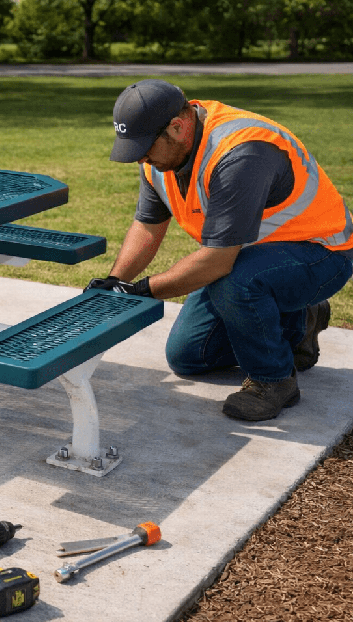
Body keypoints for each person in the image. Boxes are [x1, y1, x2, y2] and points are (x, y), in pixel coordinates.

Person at [87, 79, 353, 421]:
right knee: (188, 355)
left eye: (144, 146)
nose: (140, 157)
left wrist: (142, 291)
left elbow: (217, 261)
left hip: (321, 253)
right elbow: (148, 226)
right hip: (253, 257)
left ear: (178, 128)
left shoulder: (240, 152)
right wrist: (115, 281)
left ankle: (273, 380)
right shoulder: (160, 160)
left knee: (235, 283)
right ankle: (299, 320)